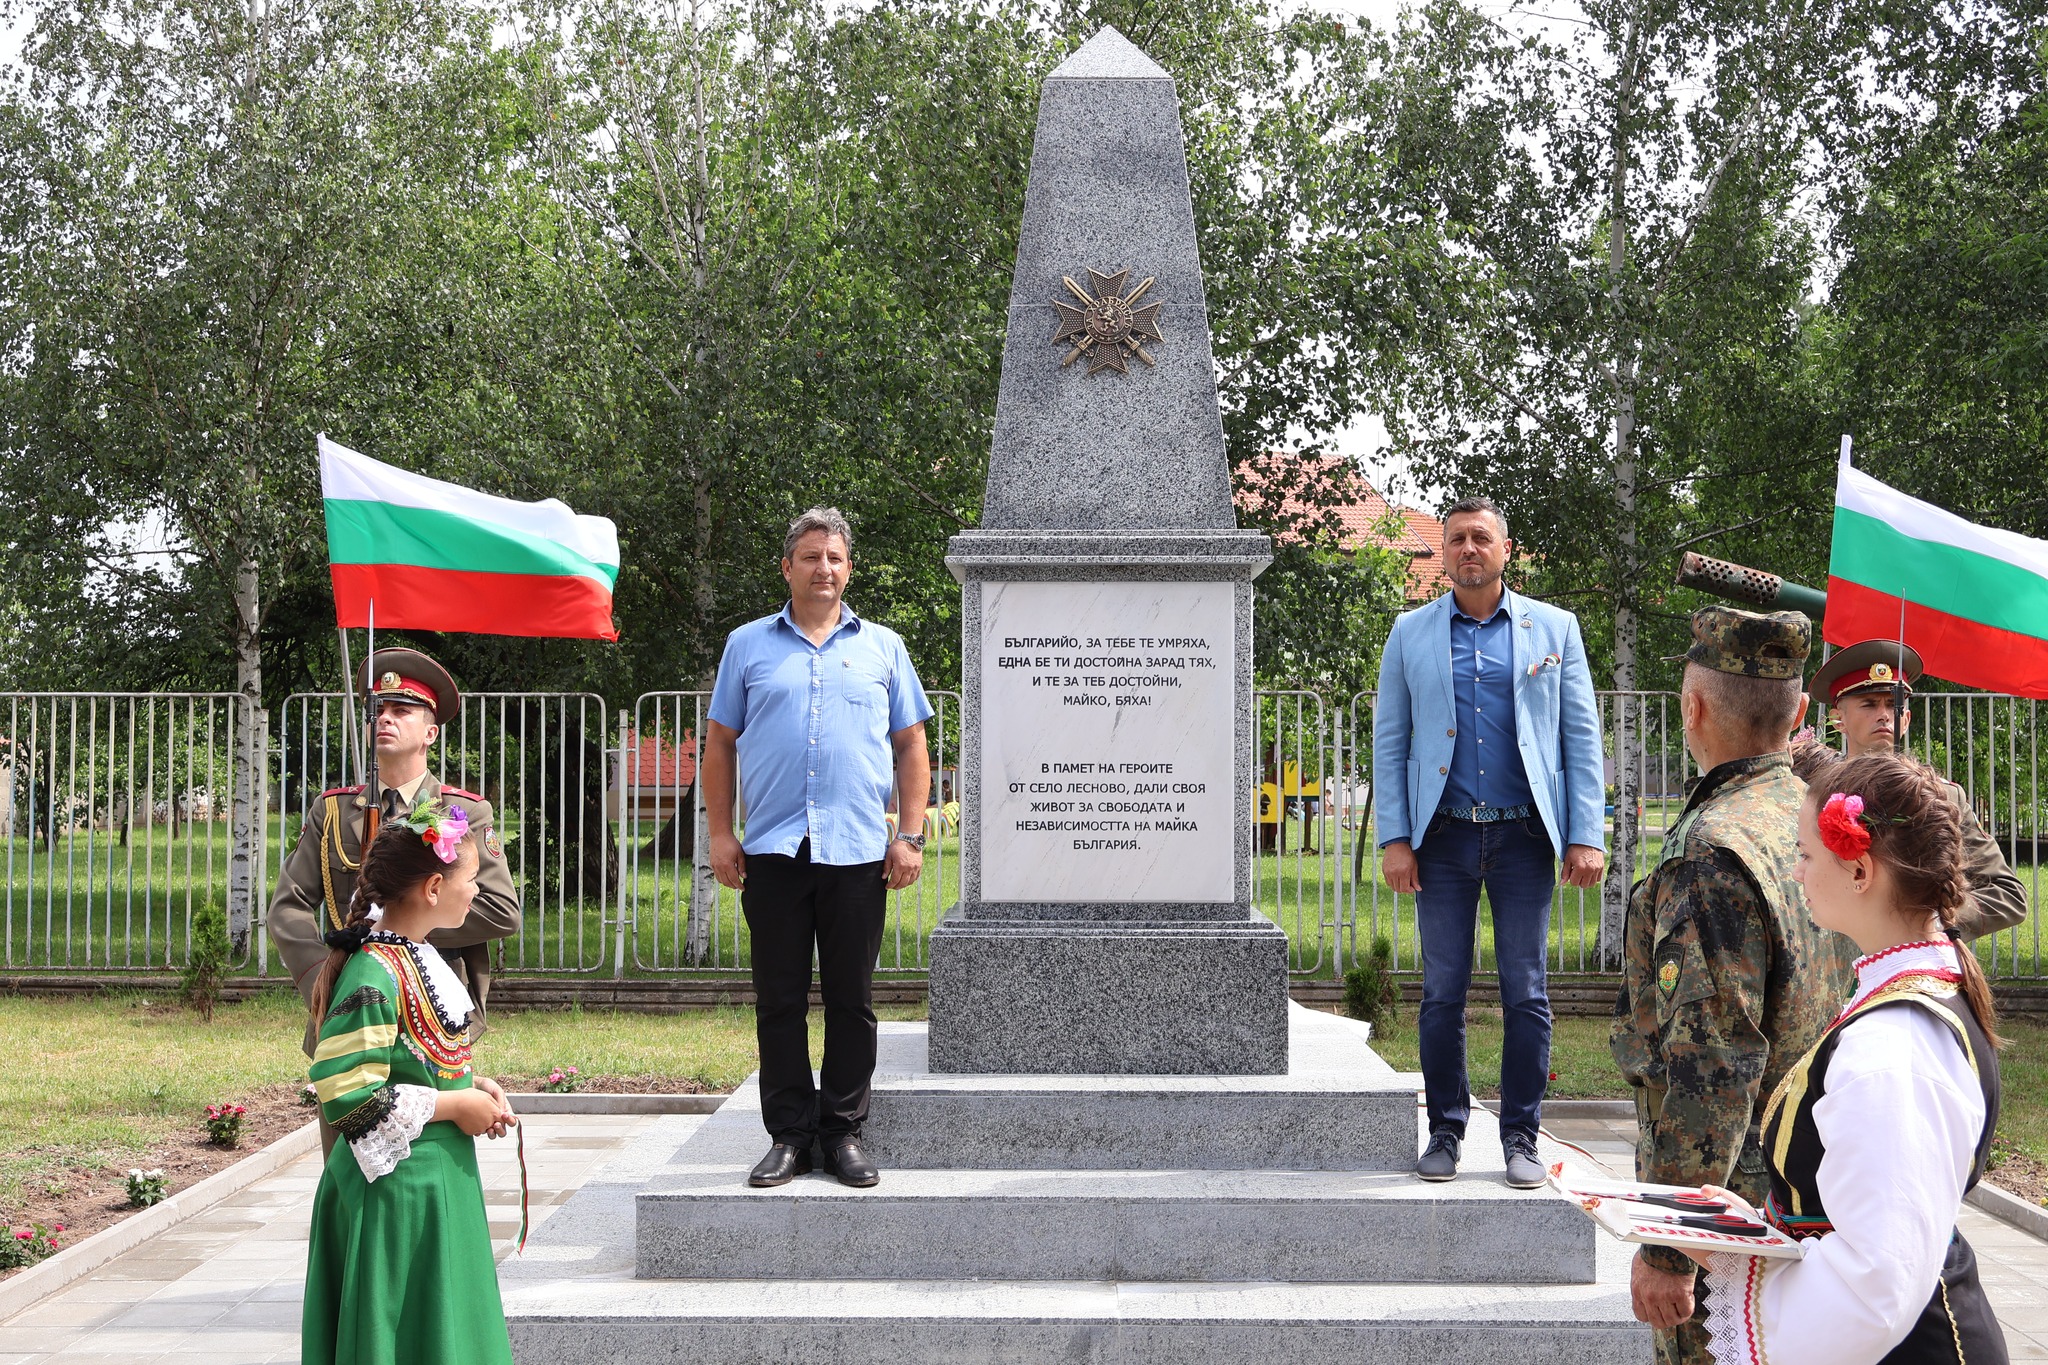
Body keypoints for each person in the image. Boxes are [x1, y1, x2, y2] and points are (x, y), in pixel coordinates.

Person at [1688, 753, 2005, 1365]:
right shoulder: (1913, 988)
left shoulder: (1895, 1047)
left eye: (1806, 855)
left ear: (1860, 871)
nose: (1798, 873)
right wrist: (1754, 1231)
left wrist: (1748, 1279)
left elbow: (1874, 1290)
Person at [1610, 605, 1860, 1365]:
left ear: (1691, 707)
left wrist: (1670, 1249)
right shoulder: (1810, 816)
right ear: (1803, 714)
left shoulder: (1713, 852)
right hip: (1814, 1183)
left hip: (1737, 1219)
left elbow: (1712, 1066)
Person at [1373, 495, 1606, 1188]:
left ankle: (1522, 1136)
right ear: (1442, 554)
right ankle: (1445, 1128)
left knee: (1526, 990)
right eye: (1456, 540)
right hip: (1440, 840)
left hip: (1525, 838)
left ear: (1507, 549)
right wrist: (1394, 837)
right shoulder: (1409, 633)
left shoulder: (1555, 629)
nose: (1468, 549)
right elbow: (1390, 743)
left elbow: (1580, 737)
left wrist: (1586, 833)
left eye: (1481, 537)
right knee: (1442, 990)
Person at [703, 507, 933, 1190]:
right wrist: (720, 832)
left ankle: (842, 1133)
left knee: (851, 1000)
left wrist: (911, 833)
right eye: (809, 556)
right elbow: (719, 743)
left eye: (833, 557)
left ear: (848, 567)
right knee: (778, 998)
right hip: (773, 850)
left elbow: (910, 745)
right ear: (787, 566)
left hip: (859, 851)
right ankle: (788, 1135)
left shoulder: (884, 648)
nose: (822, 568)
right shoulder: (747, 645)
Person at [269, 648, 520, 1152]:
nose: (385, 718)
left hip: (431, 1011)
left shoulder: (462, 812)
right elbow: (288, 906)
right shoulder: (335, 811)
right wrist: (325, 983)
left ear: (430, 732)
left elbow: (500, 908)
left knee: (429, 1162)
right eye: (379, 710)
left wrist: (403, 930)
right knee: (348, 1160)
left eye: (402, 711)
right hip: (350, 1009)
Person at [301, 798, 518, 1365]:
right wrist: (452, 1105)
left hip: (438, 1184)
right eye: (469, 879)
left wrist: (476, 1088)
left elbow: (415, 1059)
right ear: (432, 889)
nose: (476, 891)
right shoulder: (374, 970)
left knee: (449, 1335)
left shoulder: (415, 956)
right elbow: (345, 1090)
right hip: (397, 1196)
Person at [1794, 638, 2027, 941]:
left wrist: (1929, 923)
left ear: (1906, 718)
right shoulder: (1810, 792)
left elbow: (2007, 893)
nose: (1883, 714)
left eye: (1893, 705)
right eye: (1869, 704)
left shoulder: (1939, 797)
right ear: (1839, 719)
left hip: (1910, 967)